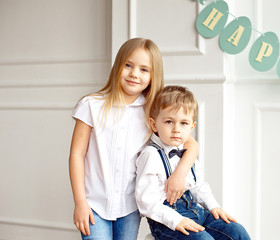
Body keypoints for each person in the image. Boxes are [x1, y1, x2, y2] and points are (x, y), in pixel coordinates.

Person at [69, 38, 198, 240]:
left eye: (144, 70)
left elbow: (192, 145)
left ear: (153, 75)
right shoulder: (91, 105)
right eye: (128, 65)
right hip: (93, 203)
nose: (134, 74)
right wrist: (80, 202)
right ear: (118, 65)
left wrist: (179, 174)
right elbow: (77, 155)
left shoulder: (152, 111)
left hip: (130, 206)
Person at [135, 85, 251, 240]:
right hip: (167, 221)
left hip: (196, 211)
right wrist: (177, 220)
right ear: (154, 124)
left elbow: (198, 185)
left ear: (191, 127)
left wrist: (214, 206)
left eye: (183, 123)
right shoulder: (150, 155)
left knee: (237, 232)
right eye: (169, 121)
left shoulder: (186, 151)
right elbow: (146, 202)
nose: (176, 129)